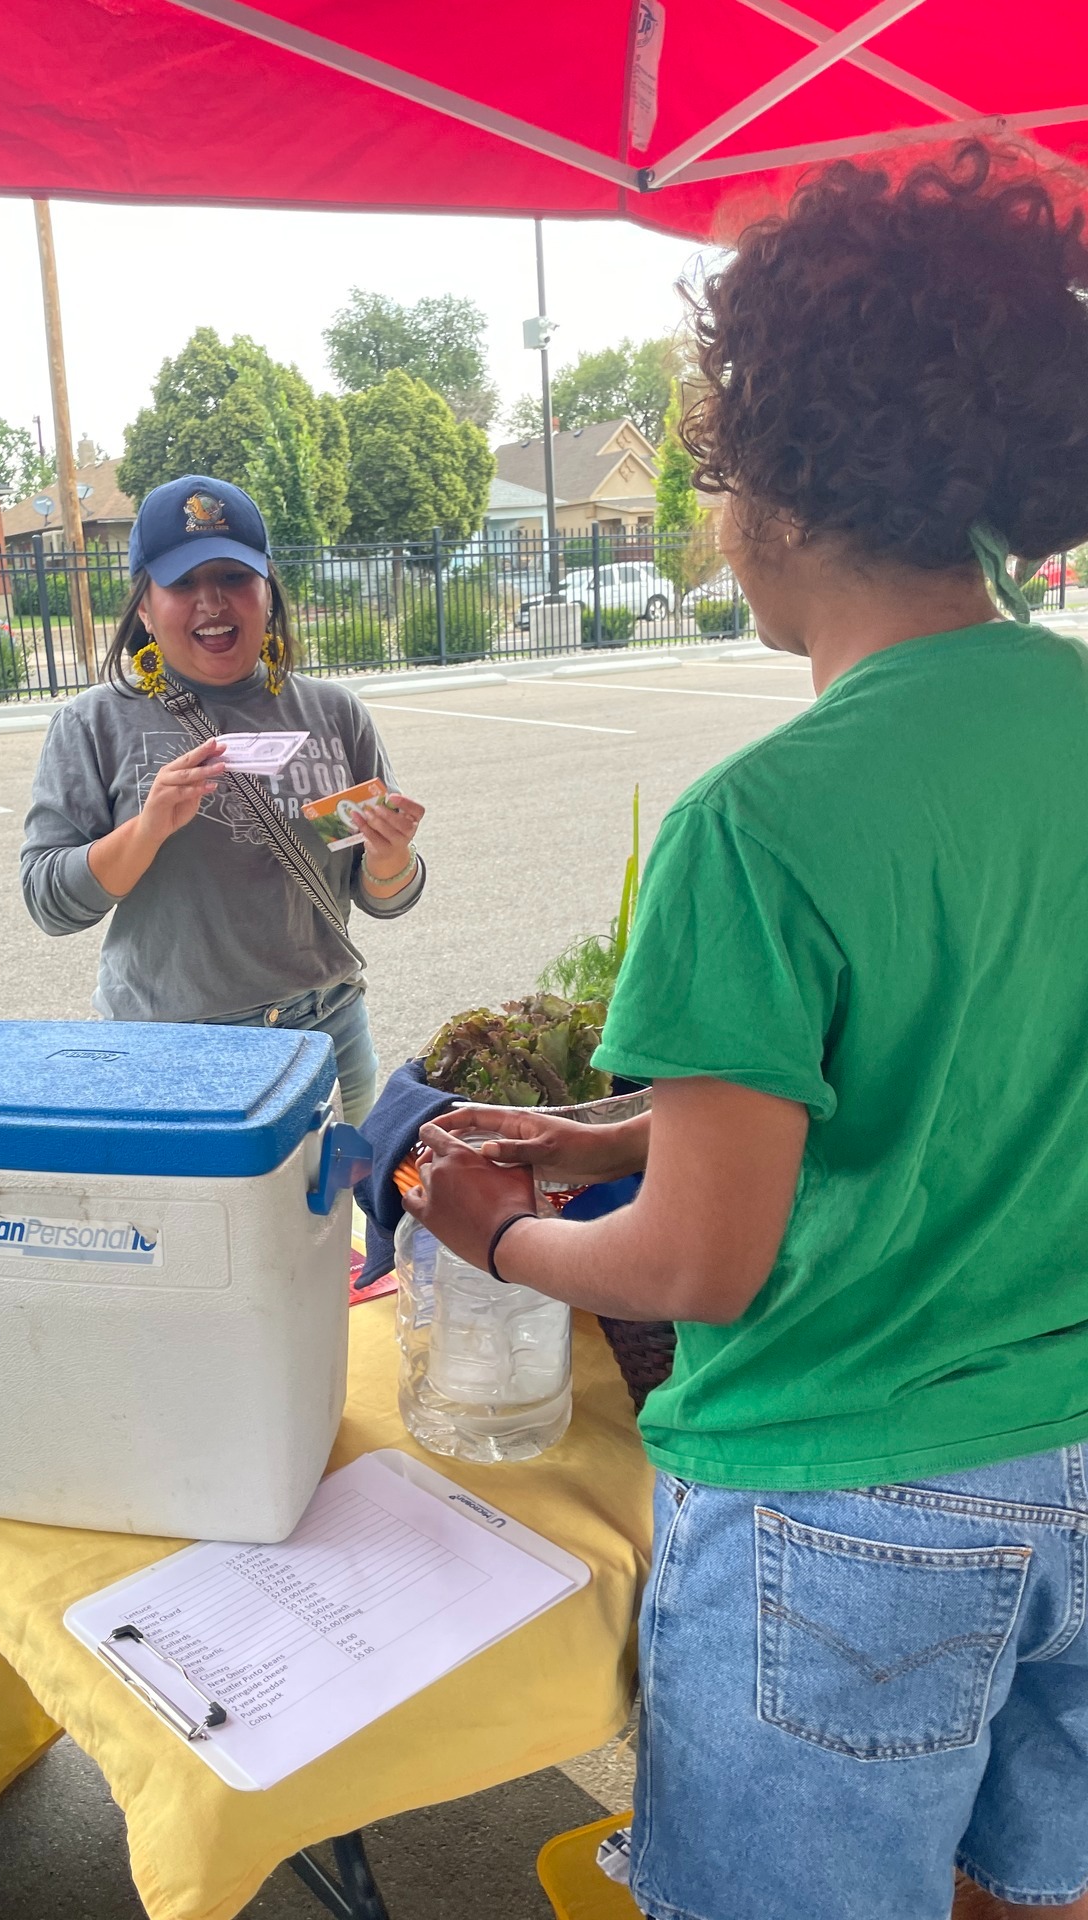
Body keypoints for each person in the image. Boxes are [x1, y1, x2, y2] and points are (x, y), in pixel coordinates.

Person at [404, 143, 1088, 1920]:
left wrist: (500, 1226)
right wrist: (612, 1137)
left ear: (763, 487)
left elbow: (701, 1267)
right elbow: (979, 1059)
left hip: (849, 1518)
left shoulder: (760, 823)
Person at [20, 475, 425, 1122]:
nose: (211, 602)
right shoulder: (94, 724)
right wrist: (146, 830)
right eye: (182, 584)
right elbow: (48, 902)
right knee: (193, 1226)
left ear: (268, 590)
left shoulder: (333, 714)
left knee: (323, 1220)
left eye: (233, 578)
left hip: (327, 1034)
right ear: (145, 608)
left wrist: (388, 859)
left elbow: (385, 893)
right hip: (169, 1052)